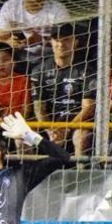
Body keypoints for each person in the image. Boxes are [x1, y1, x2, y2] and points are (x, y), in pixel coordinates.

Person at [30, 23, 95, 161]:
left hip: (77, 122)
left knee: (81, 137)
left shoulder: (87, 69)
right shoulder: (39, 70)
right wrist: (50, 130)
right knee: (22, 138)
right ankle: (28, 178)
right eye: (56, 40)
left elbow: (88, 107)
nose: (61, 44)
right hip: (50, 124)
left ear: (75, 42)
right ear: (51, 42)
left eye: (66, 39)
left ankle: (80, 176)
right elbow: (38, 107)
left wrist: (67, 129)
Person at [0, 0, 70, 71]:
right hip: (20, 56)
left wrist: (41, 40)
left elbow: (68, 42)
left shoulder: (58, 9)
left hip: (50, 56)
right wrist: (9, 43)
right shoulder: (11, 6)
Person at [0, 44, 31, 122]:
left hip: (17, 125)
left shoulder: (23, 80)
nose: (0, 64)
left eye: (5, 60)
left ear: (14, 62)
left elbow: (26, 109)